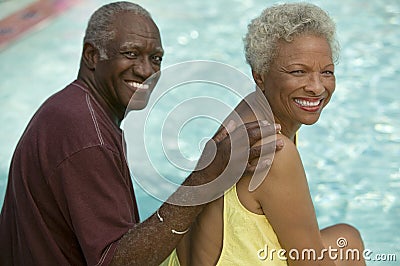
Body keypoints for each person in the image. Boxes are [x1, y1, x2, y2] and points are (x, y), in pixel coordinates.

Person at [0, 2, 282, 265]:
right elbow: (115, 261)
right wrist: (204, 177)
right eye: (130, 54)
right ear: (92, 56)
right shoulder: (86, 136)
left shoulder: (72, 109)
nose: (146, 70)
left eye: (156, 58)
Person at [171, 3, 366, 265]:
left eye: (327, 72)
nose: (317, 87)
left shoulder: (248, 110)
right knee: (349, 246)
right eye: (298, 72)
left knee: (346, 239)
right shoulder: (274, 151)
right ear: (260, 76)